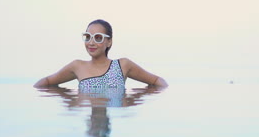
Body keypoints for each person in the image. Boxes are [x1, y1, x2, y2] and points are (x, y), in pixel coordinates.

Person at [34, 19, 168, 90]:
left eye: (98, 38)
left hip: (114, 114)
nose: (91, 42)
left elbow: (157, 81)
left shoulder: (123, 65)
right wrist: (66, 99)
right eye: (87, 37)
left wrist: (140, 98)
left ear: (109, 42)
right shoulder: (77, 66)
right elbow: (46, 82)